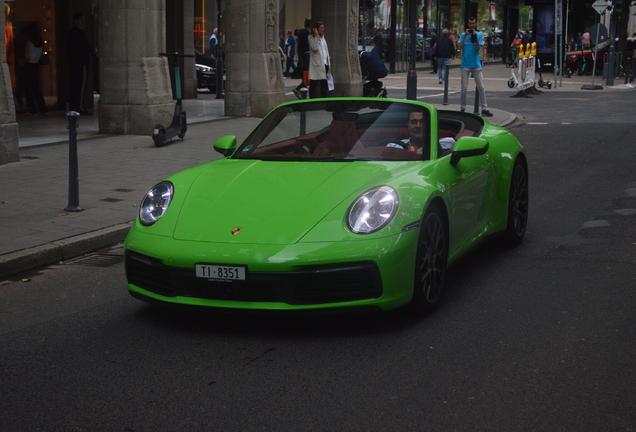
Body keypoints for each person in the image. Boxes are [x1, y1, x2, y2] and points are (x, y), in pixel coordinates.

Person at [457, 17, 493, 117]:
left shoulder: (479, 35)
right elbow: (459, 48)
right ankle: (462, 107)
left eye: (473, 23)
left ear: (475, 24)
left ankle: (484, 108)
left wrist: (475, 36)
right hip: (465, 64)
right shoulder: (463, 35)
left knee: (481, 87)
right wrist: (465, 36)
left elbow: (478, 48)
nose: (471, 25)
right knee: (463, 87)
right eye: (470, 24)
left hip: (476, 63)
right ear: (468, 24)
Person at [386, 110, 455, 155]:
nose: (418, 126)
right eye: (414, 122)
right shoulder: (395, 145)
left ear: (430, 125)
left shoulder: (445, 143)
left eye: (423, 122)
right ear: (408, 125)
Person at [66, 12, 92, 114]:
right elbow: (85, 47)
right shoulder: (77, 33)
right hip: (79, 63)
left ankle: (75, 106)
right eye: (81, 20)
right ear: (76, 21)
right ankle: (78, 107)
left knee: (76, 85)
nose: (83, 22)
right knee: (80, 85)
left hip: (75, 63)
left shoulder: (74, 33)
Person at [23, 23, 47, 115]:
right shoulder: (39, 41)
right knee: (36, 88)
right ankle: (42, 108)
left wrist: (23, 61)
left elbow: (30, 55)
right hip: (36, 65)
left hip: (29, 66)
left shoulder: (30, 42)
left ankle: (33, 109)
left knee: (29, 88)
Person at [308, 21, 331, 99]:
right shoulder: (311, 37)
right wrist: (316, 37)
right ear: (316, 29)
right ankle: (312, 98)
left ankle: (324, 99)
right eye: (321, 28)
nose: (323, 29)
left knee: (324, 83)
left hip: (325, 62)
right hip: (317, 64)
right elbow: (314, 48)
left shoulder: (322, 38)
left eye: (323, 28)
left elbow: (325, 50)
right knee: (314, 82)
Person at [293, 18, 311, 99]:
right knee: (307, 75)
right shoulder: (307, 33)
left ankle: (303, 90)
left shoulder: (301, 32)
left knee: (305, 74)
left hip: (301, 55)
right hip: (305, 55)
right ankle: (300, 88)